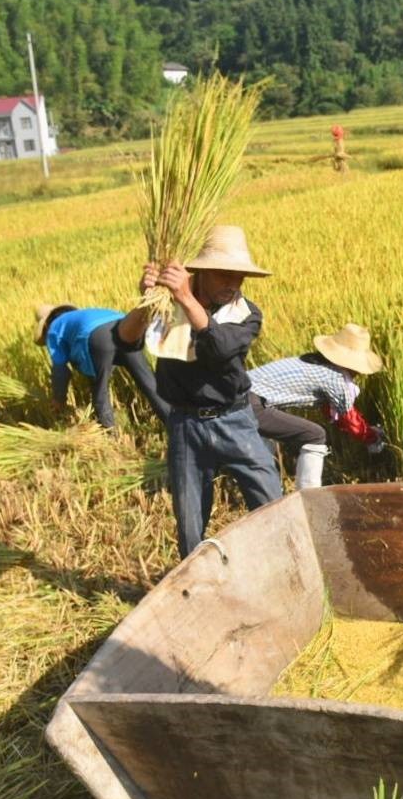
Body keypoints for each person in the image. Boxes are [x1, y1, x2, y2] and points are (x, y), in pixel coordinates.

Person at [119, 225, 283, 557]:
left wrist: (185, 297)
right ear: (202, 271)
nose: (233, 284)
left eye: (239, 276)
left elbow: (219, 348)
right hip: (185, 425)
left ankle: (282, 572)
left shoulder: (247, 313)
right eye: (224, 274)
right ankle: (194, 589)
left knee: (273, 506)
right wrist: (147, 301)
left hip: (234, 421)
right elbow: (126, 338)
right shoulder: (169, 305)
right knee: (190, 524)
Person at [247, 323, 387, 490]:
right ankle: (309, 495)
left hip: (240, 395)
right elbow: (349, 418)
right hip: (249, 402)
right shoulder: (334, 377)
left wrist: (366, 432)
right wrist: (371, 437)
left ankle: (268, 493)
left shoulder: (312, 362)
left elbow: (331, 410)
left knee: (266, 445)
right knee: (315, 434)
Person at [35, 298, 170, 429]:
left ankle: (112, 438)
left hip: (98, 336)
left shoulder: (53, 329)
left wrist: (59, 399)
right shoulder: (79, 315)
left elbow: (60, 370)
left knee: (100, 391)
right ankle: (176, 426)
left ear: (45, 324)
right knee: (149, 383)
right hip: (127, 326)